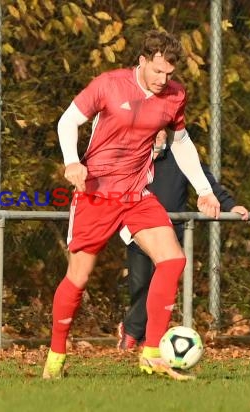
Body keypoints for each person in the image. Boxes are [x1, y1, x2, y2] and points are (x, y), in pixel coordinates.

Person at [42, 30, 221, 381]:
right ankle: (56, 356)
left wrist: (203, 189)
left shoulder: (175, 95)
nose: (162, 80)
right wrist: (71, 162)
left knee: (173, 260)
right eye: (157, 72)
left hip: (137, 194)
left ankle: (152, 352)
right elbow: (68, 121)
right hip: (96, 194)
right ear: (142, 61)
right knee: (78, 278)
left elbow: (182, 144)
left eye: (169, 74)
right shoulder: (109, 84)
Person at [117, 130, 249, 349]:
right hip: (139, 234)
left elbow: (206, 182)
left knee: (161, 288)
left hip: (170, 236)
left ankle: (136, 337)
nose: (157, 137)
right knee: (140, 289)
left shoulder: (180, 154)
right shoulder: (135, 155)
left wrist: (230, 205)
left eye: (161, 132)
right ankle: (135, 332)